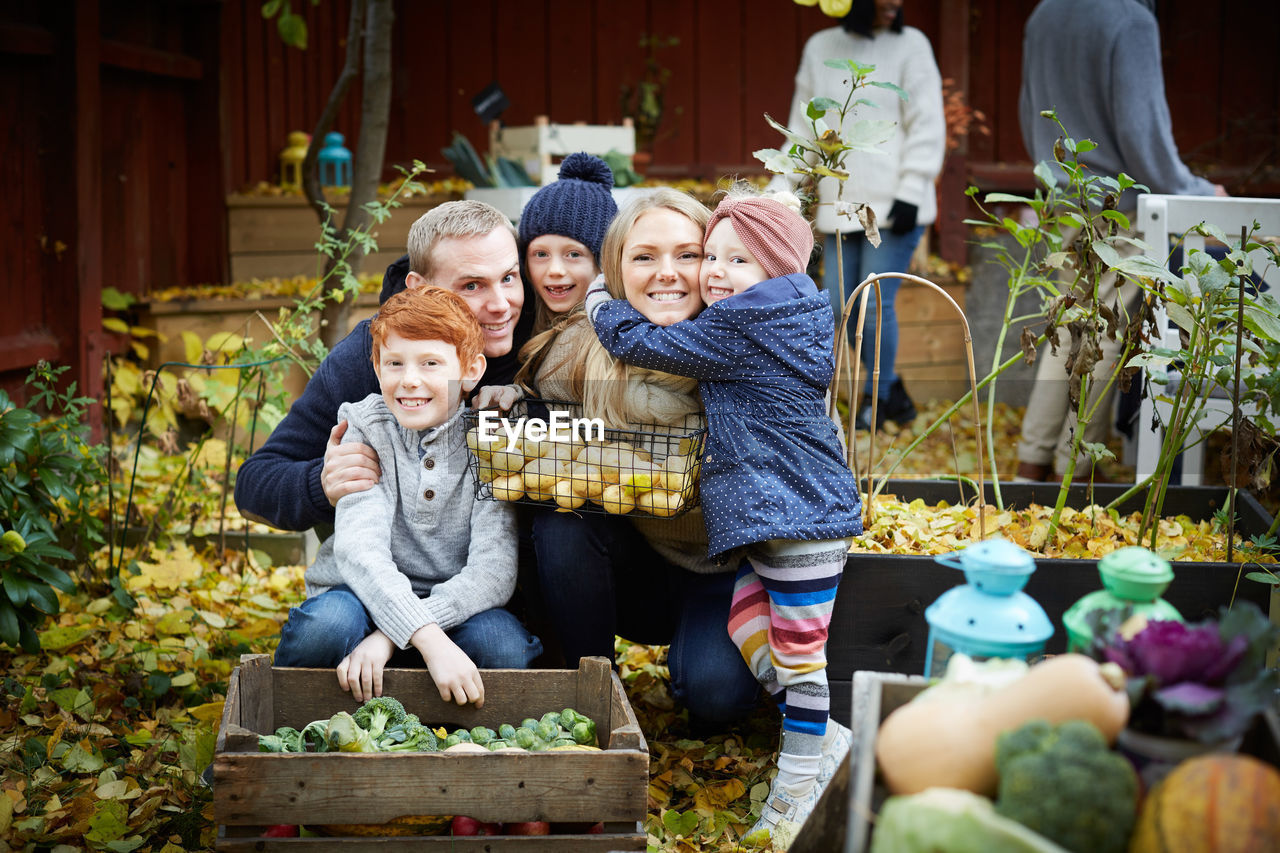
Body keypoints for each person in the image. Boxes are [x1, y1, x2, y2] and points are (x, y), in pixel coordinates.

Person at [586, 188, 861, 849]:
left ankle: (798, 787)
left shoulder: (740, 328)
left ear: (777, 270)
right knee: (743, 619)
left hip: (802, 523)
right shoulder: (795, 313)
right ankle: (818, 727)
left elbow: (635, 337)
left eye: (739, 260)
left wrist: (601, 291)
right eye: (711, 253)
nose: (714, 271)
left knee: (800, 660)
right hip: (781, 517)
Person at [480, 188, 763, 727]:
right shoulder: (582, 349)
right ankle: (592, 692)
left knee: (714, 699)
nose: (667, 273)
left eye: (687, 254)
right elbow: (533, 389)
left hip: (727, 571)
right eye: (644, 257)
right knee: (559, 515)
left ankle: (713, 664)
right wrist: (515, 400)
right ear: (616, 267)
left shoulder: (756, 350)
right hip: (636, 565)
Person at [272, 286, 541, 706]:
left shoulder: (491, 438)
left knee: (502, 646)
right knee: (326, 626)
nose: (409, 379)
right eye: (395, 363)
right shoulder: (364, 427)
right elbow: (362, 553)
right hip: (359, 593)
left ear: (470, 370)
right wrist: (426, 639)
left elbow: (493, 572)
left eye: (431, 363)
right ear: (377, 367)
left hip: (455, 602)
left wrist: (392, 637)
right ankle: (287, 717)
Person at [1013, 0, 1228, 483]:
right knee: (1101, 334)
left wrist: (1058, 179)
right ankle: (1072, 471)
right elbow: (1143, 132)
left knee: (1068, 329)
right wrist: (1199, 191)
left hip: (1064, 197)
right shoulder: (1129, 19)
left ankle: (1031, 469)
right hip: (1118, 207)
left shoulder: (1045, 12)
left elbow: (1031, 112)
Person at [234, 200, 531, 533]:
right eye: (471, 286)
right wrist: (322, 482)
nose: (501, 305)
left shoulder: (542, 336)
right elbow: (254, 484)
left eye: (508, 278)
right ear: (419, 288)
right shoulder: (367, 356)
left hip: (502, 565)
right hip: (383, 570)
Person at [779, 0, 945, 430]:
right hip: (840, 205)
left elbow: (927, 122)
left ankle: (878, 397)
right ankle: (893, 390)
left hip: (893, 208)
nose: (895, 3)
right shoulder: (821, 47)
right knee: (838, 306)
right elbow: (806, 129)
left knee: (873, 302)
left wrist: (913, 188)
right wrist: (779, 191)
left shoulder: (912, 46)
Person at [517, 152, 618, 333]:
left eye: (573, 254)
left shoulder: (611, 335)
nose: (555, 270)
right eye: (541, 254)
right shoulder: (518, 326)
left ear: (604, 262)